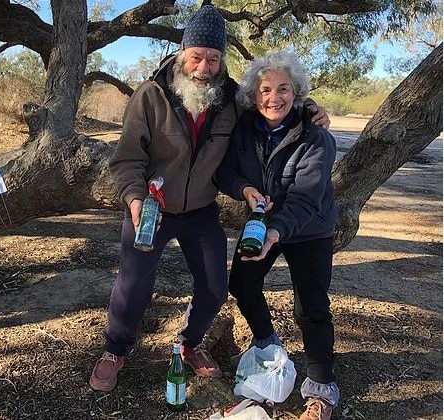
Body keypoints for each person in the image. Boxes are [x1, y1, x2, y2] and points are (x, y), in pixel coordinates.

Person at [89, 5, 329, 393]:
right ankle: (115, 350)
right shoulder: (150, 96)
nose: (204, 67)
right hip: (151, 210)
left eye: (214, 59)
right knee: (133, 286)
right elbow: (128, 159)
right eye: (197, 56)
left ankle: (188, 344)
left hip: (200, 211)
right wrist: (134, 199)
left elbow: (274, 100)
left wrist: (311, 108)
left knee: (217, 287)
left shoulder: (231, 98)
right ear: (182, 53)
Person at [217, 50, 339, 420]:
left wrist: (275, 232)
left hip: (309, 229)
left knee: (312, 306)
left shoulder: (316, 137)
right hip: (262, 221)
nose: (275, 98)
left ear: (297, 92)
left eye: (284, 89)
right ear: (254, 96)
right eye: (266, 89)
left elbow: (305, 199)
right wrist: (243, 189)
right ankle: (268, 344)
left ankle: (321, 389)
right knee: (241, 282)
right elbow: (224, 171)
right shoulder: (244, 129)